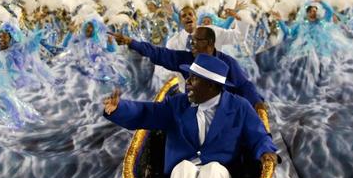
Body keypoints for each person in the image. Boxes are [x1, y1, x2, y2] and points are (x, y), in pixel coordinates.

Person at [102, 54, 277, 178]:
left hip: (221, 168)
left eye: (194, 78)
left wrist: (266, 151)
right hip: (181, 166)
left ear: (211, 85)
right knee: (183, 168)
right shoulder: (176, 104)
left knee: (213, 171)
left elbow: (259, 134)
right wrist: (119, 109)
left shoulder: (239, 107)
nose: (187, 83)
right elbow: (147, 112)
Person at [111, 27, 265, 110]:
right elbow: (159, 53)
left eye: (197, 41)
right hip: (193, 109)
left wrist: (256, 102)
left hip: (224, 113)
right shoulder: (186, 58)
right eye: (191, 41)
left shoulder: (229, 63)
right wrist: (131, 42)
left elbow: (244, 85)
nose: (192, 44)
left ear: (210, 43)